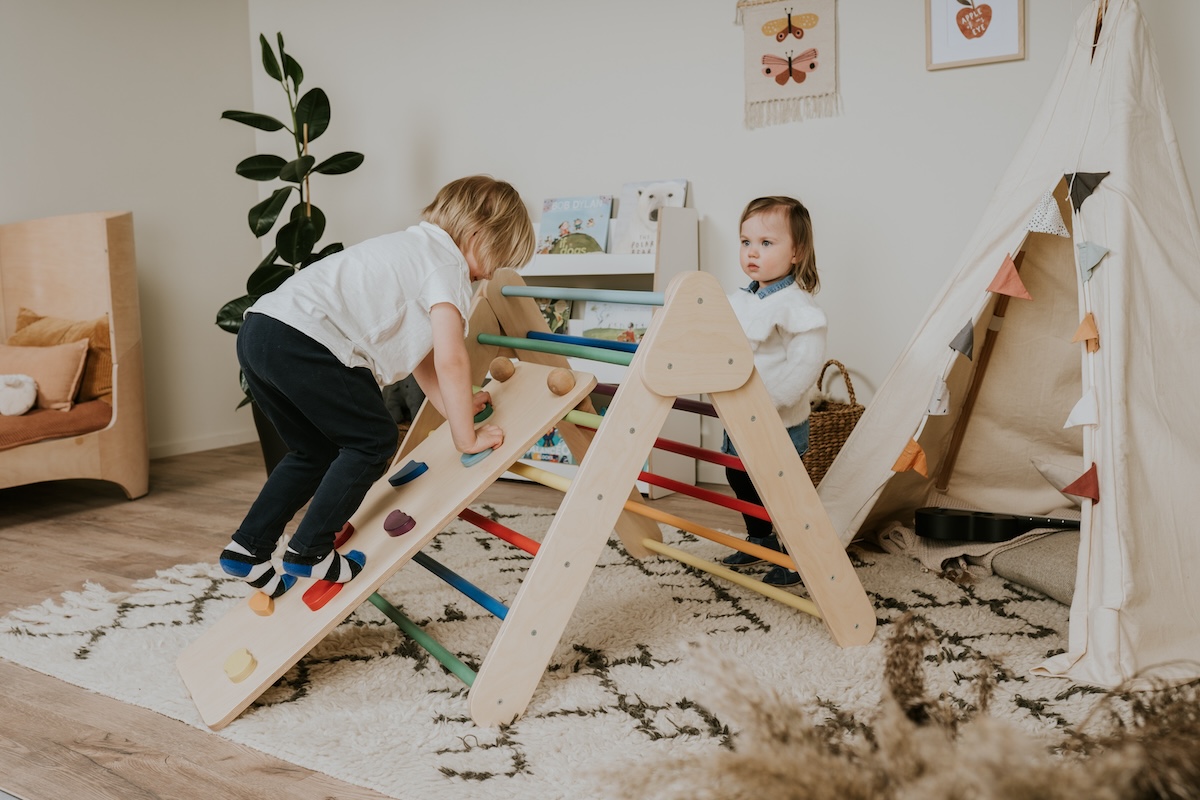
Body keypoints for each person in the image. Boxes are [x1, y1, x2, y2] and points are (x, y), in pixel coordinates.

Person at [219, 175, 535, 598]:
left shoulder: (411, 250)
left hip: (262, 332)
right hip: (308, 340)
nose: (493, 273)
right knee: (374, 441)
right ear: (478, 234)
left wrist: (453, 407)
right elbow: (451, 357)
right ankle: (309, 550)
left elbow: (423, 358)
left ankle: (247, 549)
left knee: (312, 451)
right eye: (498, 258)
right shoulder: (447, 266)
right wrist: (466, 435)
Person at [720, 196, 827, 587]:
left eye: (767, 243)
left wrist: (770, 401)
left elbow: (805, 365)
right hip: (736, 415)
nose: (752, 252)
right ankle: (759, 539)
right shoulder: (739, 300)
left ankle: (798, 555)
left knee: (781, 491)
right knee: (740, 479)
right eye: (746, 242)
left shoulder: (797, 307)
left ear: (796, 252)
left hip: (777, 420)